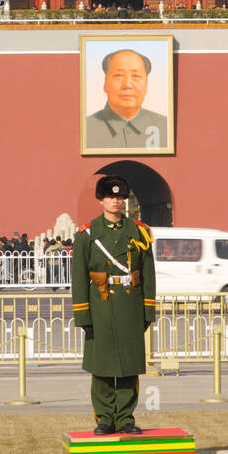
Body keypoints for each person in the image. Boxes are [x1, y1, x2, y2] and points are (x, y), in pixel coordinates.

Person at [70, 174, 156, 435]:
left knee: (129, 367)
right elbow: (79, 276)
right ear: (101, 200)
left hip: (130, 306)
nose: (115, 201)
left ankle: (126, 418)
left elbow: (148, 274)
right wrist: (83, 315)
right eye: (110, 196)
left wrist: (147, 310)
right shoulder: (88, 234)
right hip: (101, 306)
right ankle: (105, 418)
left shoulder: (139, 232)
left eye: (119, 197)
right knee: (103, 366)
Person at [85, 49, 169, 150]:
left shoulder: (166, 127)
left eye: (136, 76)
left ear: (146, 85)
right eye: (119, 75)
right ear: (105, 83)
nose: (127, 85)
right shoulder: (85, 129)